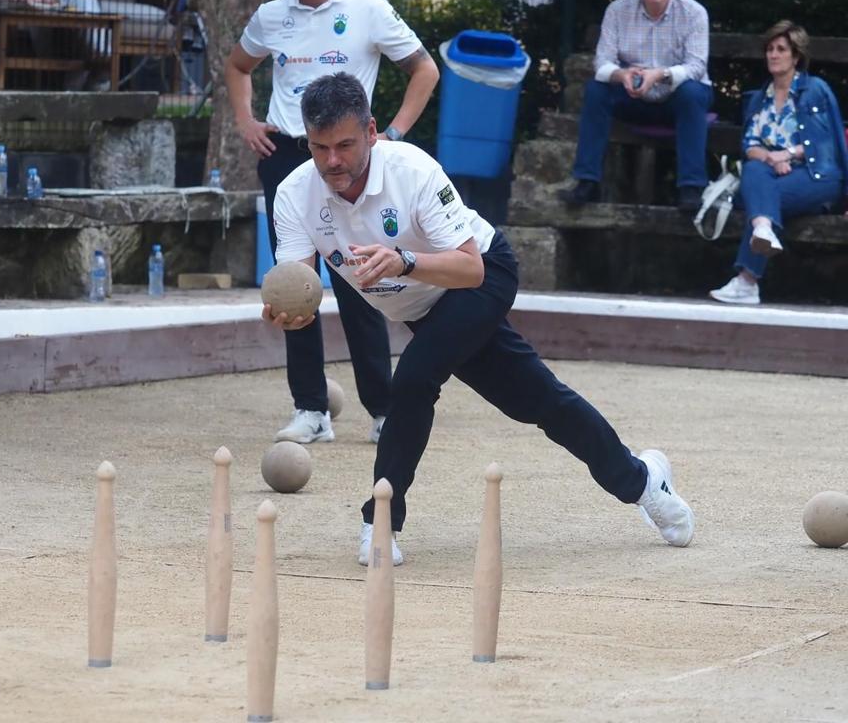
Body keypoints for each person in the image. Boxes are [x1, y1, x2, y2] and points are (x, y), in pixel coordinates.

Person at [266, 72, 694, 565]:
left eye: (344, 144)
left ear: (372, 131)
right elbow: (296, 283)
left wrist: (403, 260)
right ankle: (643, 480)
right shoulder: (294, 194)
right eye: (320, 148)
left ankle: (380, 521)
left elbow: (470, 267)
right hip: (425, 307)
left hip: (481, 275)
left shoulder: (413, 171)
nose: (333, 161)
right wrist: (288, 314)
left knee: (412, 380)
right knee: (538, 400)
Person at [226, 0, 440, 445]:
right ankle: (311, 410)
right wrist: (246, 121)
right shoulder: (273, 15)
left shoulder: (369, 9)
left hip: (351, 163)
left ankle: (384, 409)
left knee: (358, 278)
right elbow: (237, 66)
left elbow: (425, 69)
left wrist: (389, 134)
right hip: (286, 157)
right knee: (294, 284)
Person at [560, 0, 712, 211]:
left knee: (694, 93)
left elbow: (697, 66)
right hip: (633, 96)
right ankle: (587, 181)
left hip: (675, 98)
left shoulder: (694, 13)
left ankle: (691, 188)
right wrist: (622, 75)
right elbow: (602, 63)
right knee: (596, 91)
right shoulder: (617, 11)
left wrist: (660, 74)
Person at [710, 21, 848, 305]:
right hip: (772, 176)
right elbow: (749, 146)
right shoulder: (759, 98)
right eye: (770, 49)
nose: (773, 55)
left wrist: (788, 154)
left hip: (817, 176)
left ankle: (747, 281)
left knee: (761, 197)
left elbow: (829, 143)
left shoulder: (816, 90)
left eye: (781, 49)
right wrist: (770, 159)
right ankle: (762, 231)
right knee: (755, 170)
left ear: (795, 56)